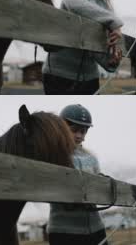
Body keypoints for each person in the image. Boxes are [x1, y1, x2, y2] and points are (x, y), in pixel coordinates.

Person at [42, 0, 127, 94]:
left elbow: (97, 50)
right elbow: (74, 3)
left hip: (90, 79)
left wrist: (110, 62)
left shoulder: (108, 10)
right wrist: (114, 22)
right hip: (58, 74)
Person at [48, 104, 109, 245]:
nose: (79, 136)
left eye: (83, 131)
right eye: (74, 130)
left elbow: (98, 190)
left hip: (96, 228)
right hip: (64, 231)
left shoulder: (91, 158)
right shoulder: (53, 155)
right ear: (62, 128)